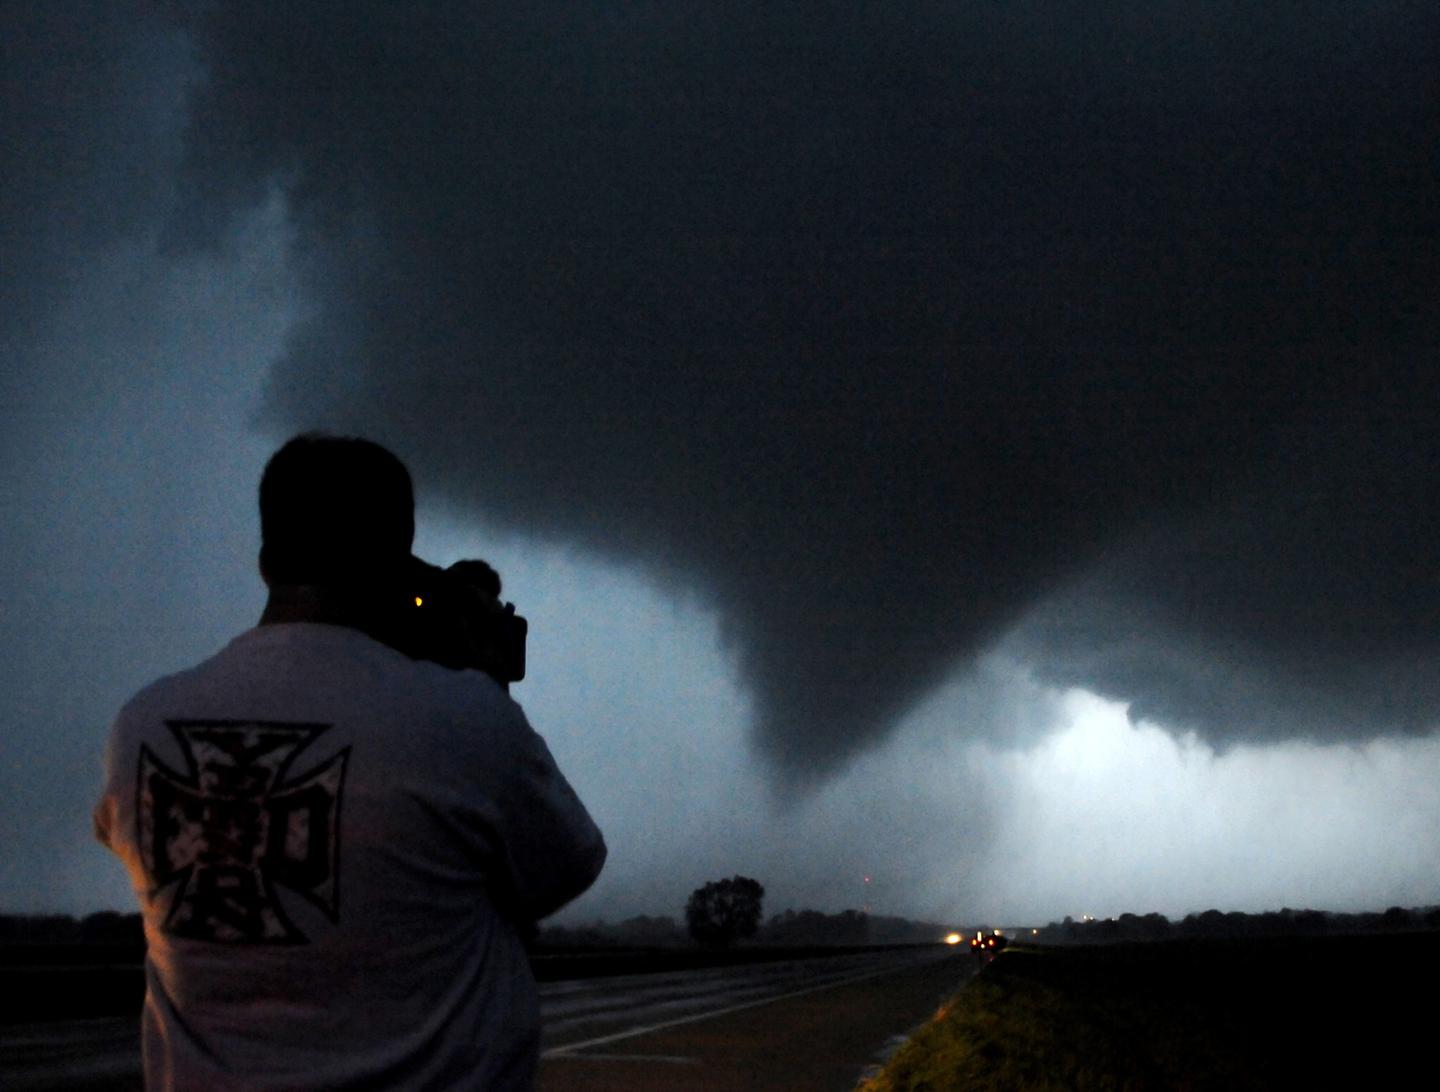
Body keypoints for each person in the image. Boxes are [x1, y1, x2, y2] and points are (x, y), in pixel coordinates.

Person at [94, 433, 606, 1090]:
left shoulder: (141, 725)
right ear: (400, 560)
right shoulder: (466, 720)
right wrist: (487, 687)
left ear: (265, 561)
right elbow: (561, 869)